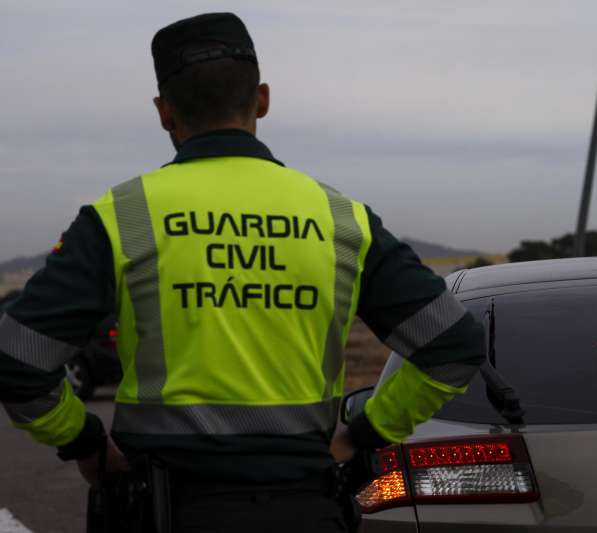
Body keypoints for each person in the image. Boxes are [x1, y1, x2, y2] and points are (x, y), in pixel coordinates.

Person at [0, 12, 484, 532]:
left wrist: (85, 442)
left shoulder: (123, 217)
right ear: (262, 100)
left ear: (165, 112)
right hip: (306, 508)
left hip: (164, 508)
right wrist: (365, 433)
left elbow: (19, 361)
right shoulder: (342, 220)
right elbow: (453, 346)